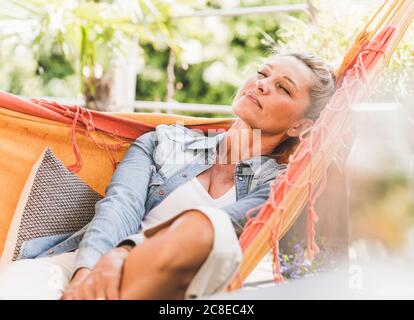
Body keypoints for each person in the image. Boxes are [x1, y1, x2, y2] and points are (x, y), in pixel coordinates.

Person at [0, 52, 336, 300]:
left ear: (300, 126)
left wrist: (123, 257)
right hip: (88, 261)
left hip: (172, 287)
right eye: (262, 73)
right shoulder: (164, 140)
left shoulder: (279, 186)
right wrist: (86, 274)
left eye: (283, 88)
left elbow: (207, 230)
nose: (261, 85)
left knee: (206, 229)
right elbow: (120, 206)